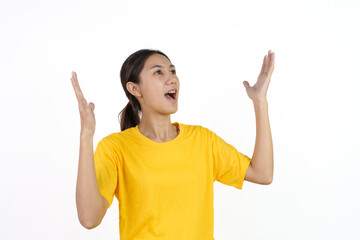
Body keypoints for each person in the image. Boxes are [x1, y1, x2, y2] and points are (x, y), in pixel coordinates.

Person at [71, 49, 275, 239]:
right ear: (135, 89)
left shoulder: (202, 141)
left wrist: (260, 101)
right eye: (158, 72)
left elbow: (262, 174)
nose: (172, 78)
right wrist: (86, 136)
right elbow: (90, 219)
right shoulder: (115, 148)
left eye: (172, 71)